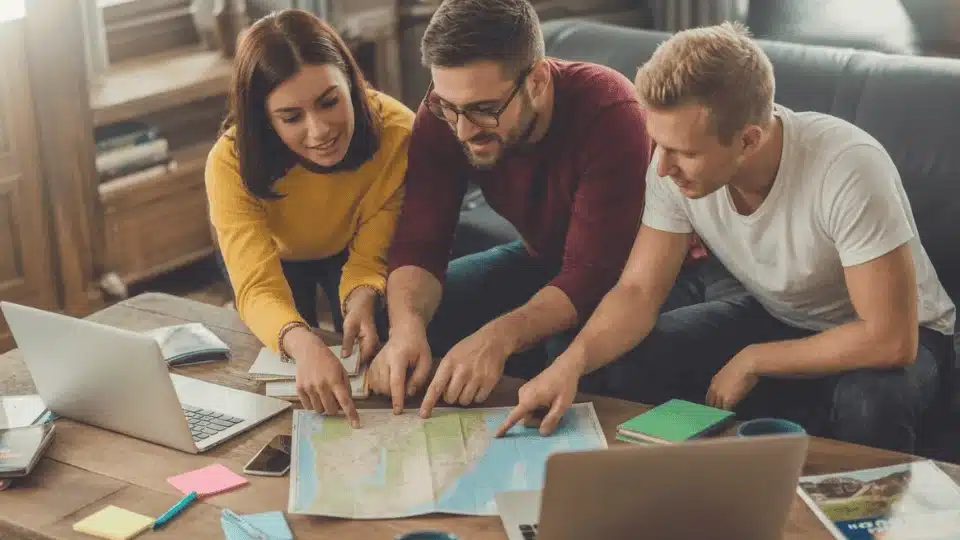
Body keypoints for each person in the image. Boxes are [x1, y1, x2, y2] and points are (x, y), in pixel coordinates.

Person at [497, 22, 957, 454]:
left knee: (869, 405)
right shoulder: (671, 165)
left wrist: (756, 359)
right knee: (626, 362)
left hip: (906, 334)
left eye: (684, 152)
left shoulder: (847, 168)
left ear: (749, 141)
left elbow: (890, 338)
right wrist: (569, 366)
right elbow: (637, 292)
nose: (662, 167)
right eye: (659, 144)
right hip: (782, 315)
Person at [366, 0, 667, 415]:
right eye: (448, 107)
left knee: (564, 348)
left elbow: (592, 275)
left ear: (538, 80)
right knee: (398, 314)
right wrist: (406, 329)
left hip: (639, 274)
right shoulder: (447, 112)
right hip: (544, 257)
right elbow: (421, 241)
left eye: (484, 109)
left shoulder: (611, 110)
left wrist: (497, 339)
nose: (463, 129)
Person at [205, 9, 414, 427]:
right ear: (264, 119)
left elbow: (372, 250)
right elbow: (257, 285)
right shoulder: (229, 162)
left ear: (351, 83)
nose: (319, 131)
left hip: (351, 245)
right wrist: (302, 343)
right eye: (291, 117)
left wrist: (362, 296)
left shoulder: (399, 131)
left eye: (329, 102)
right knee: (287, 367)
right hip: (275, 257)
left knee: (367, 343)